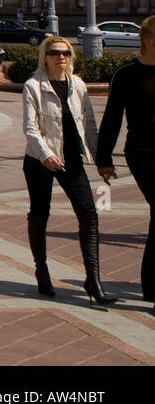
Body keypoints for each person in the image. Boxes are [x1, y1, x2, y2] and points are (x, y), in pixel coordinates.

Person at [23, 35, 115, 305]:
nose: (60, 57)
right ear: (45, 56)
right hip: (40, 160)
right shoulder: (33, 86)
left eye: (65, 53)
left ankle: (93, 280)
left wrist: (101, 160)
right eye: (54, 52)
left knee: (89, 214)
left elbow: (90, 125)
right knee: (40, 213)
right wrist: (47, 155)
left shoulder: (78, 85)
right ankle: (42, 270)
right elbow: (30, 128)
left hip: (72, 160)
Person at [97, 16, 155, 311]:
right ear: (149, 41)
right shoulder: (127, 75)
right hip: (143, 154)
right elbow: (112, 117)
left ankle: (151, 288)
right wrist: (104, 157)